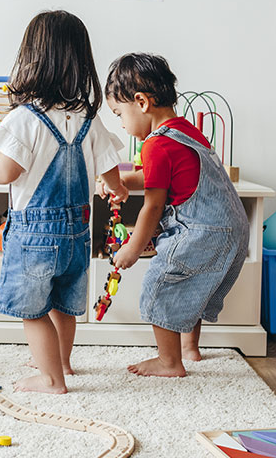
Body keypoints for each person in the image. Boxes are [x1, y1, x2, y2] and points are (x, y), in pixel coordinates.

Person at [0, 10, 128, 394]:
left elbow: (6, 172)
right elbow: (111, 172)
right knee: (63, 304)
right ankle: (63, 363)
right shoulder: (89, 117)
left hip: (35, 234)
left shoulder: (26, 118)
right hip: (78, 232)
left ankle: (50, 378)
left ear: (32, 59)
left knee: (33, 310)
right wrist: (114, 189)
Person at [102, 53, 249, 377]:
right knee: (190, 286)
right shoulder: (186, 132)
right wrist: (122, 181)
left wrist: (133, 248)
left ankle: (169, 362)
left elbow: (153, 205)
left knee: (161, 284)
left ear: (141, 102)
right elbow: (162, 176)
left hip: (202, 230)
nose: (122, 125)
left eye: (119, 114)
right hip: (232, 229)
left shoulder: (154, 145)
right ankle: (189, 348)